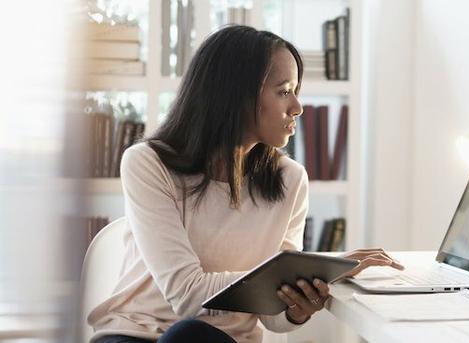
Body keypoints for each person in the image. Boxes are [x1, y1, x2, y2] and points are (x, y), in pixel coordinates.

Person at [87, 25, 404, 343]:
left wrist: (296, 306)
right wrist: (323, 266)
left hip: (220, 341)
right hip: (133, 334)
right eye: (283, 91)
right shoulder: (148, 163)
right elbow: (185, 296)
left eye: (296, 91)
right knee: (188, 333)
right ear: (235, 94)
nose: (297, 107)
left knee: (192, 336)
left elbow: (272, 318)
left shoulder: (290, 180)